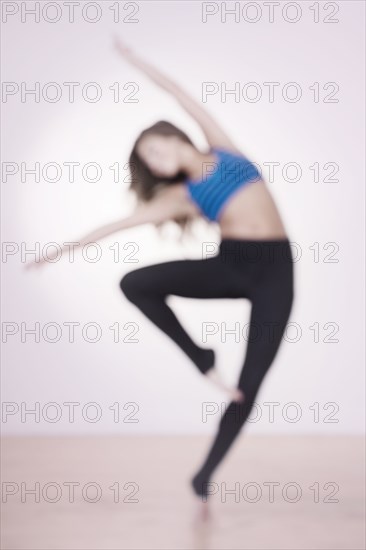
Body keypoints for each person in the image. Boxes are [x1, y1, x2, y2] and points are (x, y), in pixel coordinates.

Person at [26, 37, 295, 520]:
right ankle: (200, 356)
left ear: (174, 137)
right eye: (146, 160)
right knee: (134, 283)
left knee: (247, 386)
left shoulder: (224, 150)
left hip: (277, 272)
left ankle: (203, 475)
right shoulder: (181, 197)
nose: (153, 161)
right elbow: (115, 227)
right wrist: (59, 250)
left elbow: (178, 93)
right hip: (231, 265)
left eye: (154, 148)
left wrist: (135, 61)